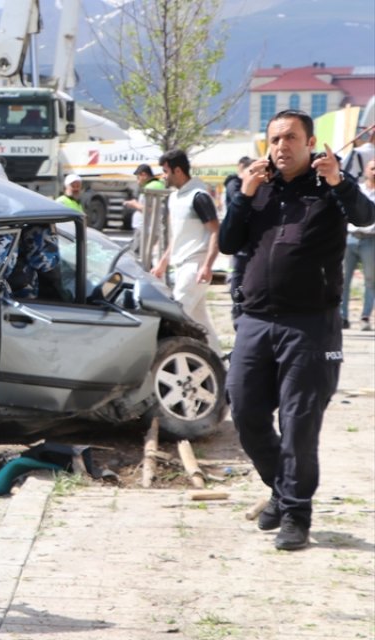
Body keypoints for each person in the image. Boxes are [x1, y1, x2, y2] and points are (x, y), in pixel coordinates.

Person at [220, 109, 375, 551]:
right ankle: (281, 490)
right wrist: (245, 194)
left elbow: (365, 216)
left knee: (298, 424)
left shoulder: (330, 187)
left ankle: (296, 515)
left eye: (290, 138)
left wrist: (339, 181)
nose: (281, 146)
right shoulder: (258, 188)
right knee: (246, 413)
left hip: (310, 325)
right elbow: (229, 242)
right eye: (274, 139)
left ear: (310, 143)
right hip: (255, 321)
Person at [150, 149, 221, 351]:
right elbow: (178, 236)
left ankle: (166, 357)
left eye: (166, 171)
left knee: (176, 316)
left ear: (178, 171)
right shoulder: (175, 198)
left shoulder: (199, 197)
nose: (163, 176)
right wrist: (163, 263)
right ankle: (219, 361)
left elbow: (216, 232)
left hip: (195, 265)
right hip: (181, 266)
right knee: (200, 321)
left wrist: (207, 266)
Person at [342, 158, 375, 330]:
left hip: (370, 240)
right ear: (366, 170)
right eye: (372, 168)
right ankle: (342, 317)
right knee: (343, 279)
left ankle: (365, 317)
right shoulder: (356, 189)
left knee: (370, 280)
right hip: (350, 238)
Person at [224, 157, 254, 322]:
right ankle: (238, 313)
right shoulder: (235, 184)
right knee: (238, 283)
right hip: (241, 248)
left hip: (250, 247)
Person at [122, 163, 165, 228]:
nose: (137, 180)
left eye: (138, 177)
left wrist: (134, 204)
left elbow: (151, 210)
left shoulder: (151, 187)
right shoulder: (154, 185)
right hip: (146, 227)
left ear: (144, 175)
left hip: (146, 229)